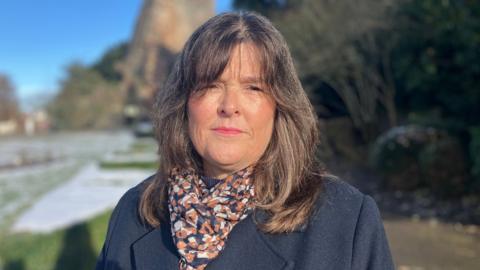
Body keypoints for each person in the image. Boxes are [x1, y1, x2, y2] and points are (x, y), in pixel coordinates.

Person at [96, 11, 394, 270]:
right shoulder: (135, 210)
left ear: (280, 104)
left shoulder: (347, 220)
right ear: (184, 103)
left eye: (253, 87)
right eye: (211, 85)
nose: (229, 106)